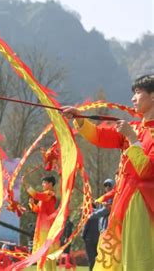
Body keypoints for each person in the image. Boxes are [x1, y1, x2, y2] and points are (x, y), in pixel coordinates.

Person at [63, 74, 154, 270]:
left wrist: (132, 139)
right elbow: (100, 136)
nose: (133, 99)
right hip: (124, 202)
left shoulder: (134, 132)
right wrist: (80, 118)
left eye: (138, 93)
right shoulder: (135, 128)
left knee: (137, 259)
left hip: (143, 206)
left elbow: (146, 171)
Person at [26, 175, 58, 271]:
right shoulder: (44, 196)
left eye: (44, 182)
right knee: (42, 252)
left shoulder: (50, 194)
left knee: (46, 252)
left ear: (51, 184)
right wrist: (32, 204)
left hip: (47, 228)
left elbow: (36, 194)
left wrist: (27, 186)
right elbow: (38, 210)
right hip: (41, 227)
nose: (42, 184)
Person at [83, 203, 101, 271]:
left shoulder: (89, 214)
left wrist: (83, 236)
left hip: (89, 239)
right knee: (97, 256)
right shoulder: (99, 214)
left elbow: (86, 227)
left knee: (91, 258)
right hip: (98, 238)